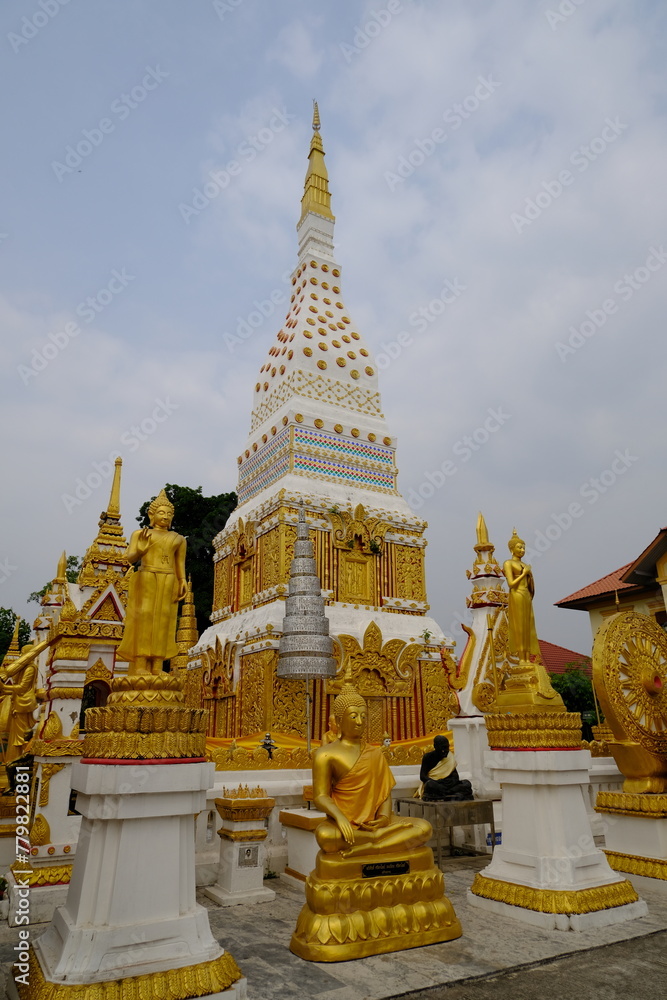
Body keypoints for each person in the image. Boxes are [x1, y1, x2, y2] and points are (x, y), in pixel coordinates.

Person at [313, 684, 431, 858]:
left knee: (424, 828)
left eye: (363, 716)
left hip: (375, 823)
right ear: (339, 721)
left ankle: (374, 845)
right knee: (325, 837)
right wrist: (340, 817)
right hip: (345, 822)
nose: (360, 722)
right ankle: (379, 840)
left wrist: (383, 818)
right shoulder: (325, 754)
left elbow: (385, 793)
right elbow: (320, 796)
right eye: (353, 716)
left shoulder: (374, 753)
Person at [116, 490, 187, 674]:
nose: (165, 516)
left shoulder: (178, 539)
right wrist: (140, 549)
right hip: (147, 576)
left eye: (169, 514)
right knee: (145, 617)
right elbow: (129, 559)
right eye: (161, 512)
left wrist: (182, 581)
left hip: (168, 578)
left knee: (164, 619)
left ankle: (157, 664)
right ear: (152, 514)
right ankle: (140, 663)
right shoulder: (140, 534)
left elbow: (180, 564)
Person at [503, 530, 560, 701]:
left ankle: (528, 658)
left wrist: (527, 574)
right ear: (512, 549)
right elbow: (511, 584)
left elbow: (531, 587)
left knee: (529, 628)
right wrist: (524, 573)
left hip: (526, 597)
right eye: (519, 547)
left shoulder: (524, 565)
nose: (522, 550)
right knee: (520, 627)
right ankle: (521, 660)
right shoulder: (508, 563)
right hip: (517, 595)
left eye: (523, 547)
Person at [417, 735, 473, 801]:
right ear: (435, 746)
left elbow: (455, 777)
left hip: (449, 785)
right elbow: (422, 776)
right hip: (436, 784)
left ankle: (445, 793)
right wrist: (437, 782)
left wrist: (450, 782)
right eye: (443, 748)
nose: (446, 751)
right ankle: (448, 793)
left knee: (467, 783)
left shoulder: (449, 757)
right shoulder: (428, 757)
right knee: (429, 784)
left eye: (447, 748)